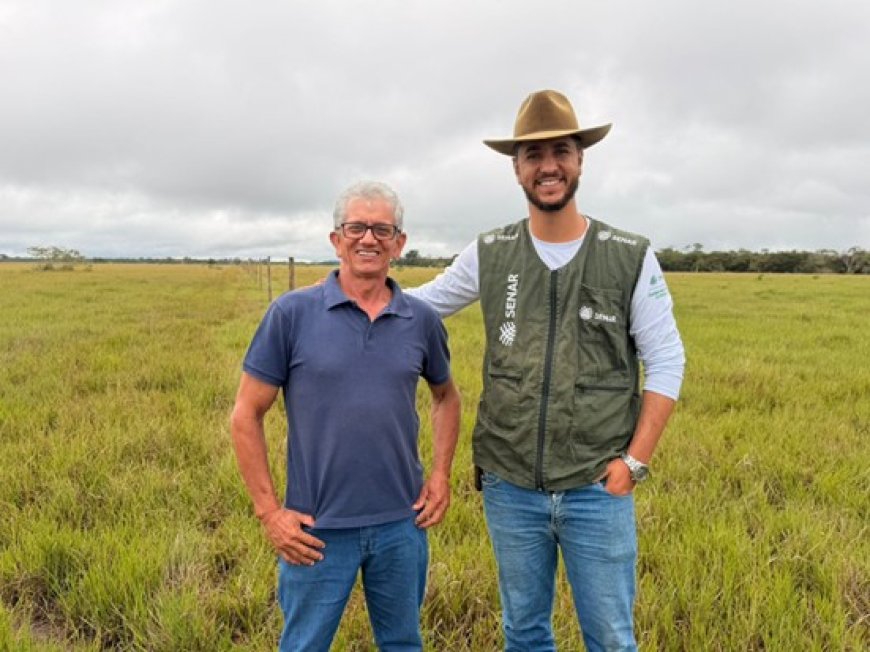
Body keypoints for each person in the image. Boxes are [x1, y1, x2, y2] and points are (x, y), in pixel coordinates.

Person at [407, 90, 686, 651]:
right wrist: (347, 294)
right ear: (516, 169)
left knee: (610, 637)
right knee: (524, 632)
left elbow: (666, 360)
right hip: (510, 486)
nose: (548, 165)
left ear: (581, 159)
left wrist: (633, 463)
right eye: (533, 156)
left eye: (561, 150)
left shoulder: (628, 254)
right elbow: (422, 304)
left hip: (595, 487)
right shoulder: (492, 251)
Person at [230, 180, 461, 652]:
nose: (368, 239)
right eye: (356, 227)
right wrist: (270, 512)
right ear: (336, 239)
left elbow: (446, 397)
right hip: (315, 529)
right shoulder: (291, 314)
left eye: (382, 229)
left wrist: (440, 475)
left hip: (402, 524)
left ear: (400, 243)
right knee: (303, 645)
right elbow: (245, 414)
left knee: (403, 642)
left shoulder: (421, 320)